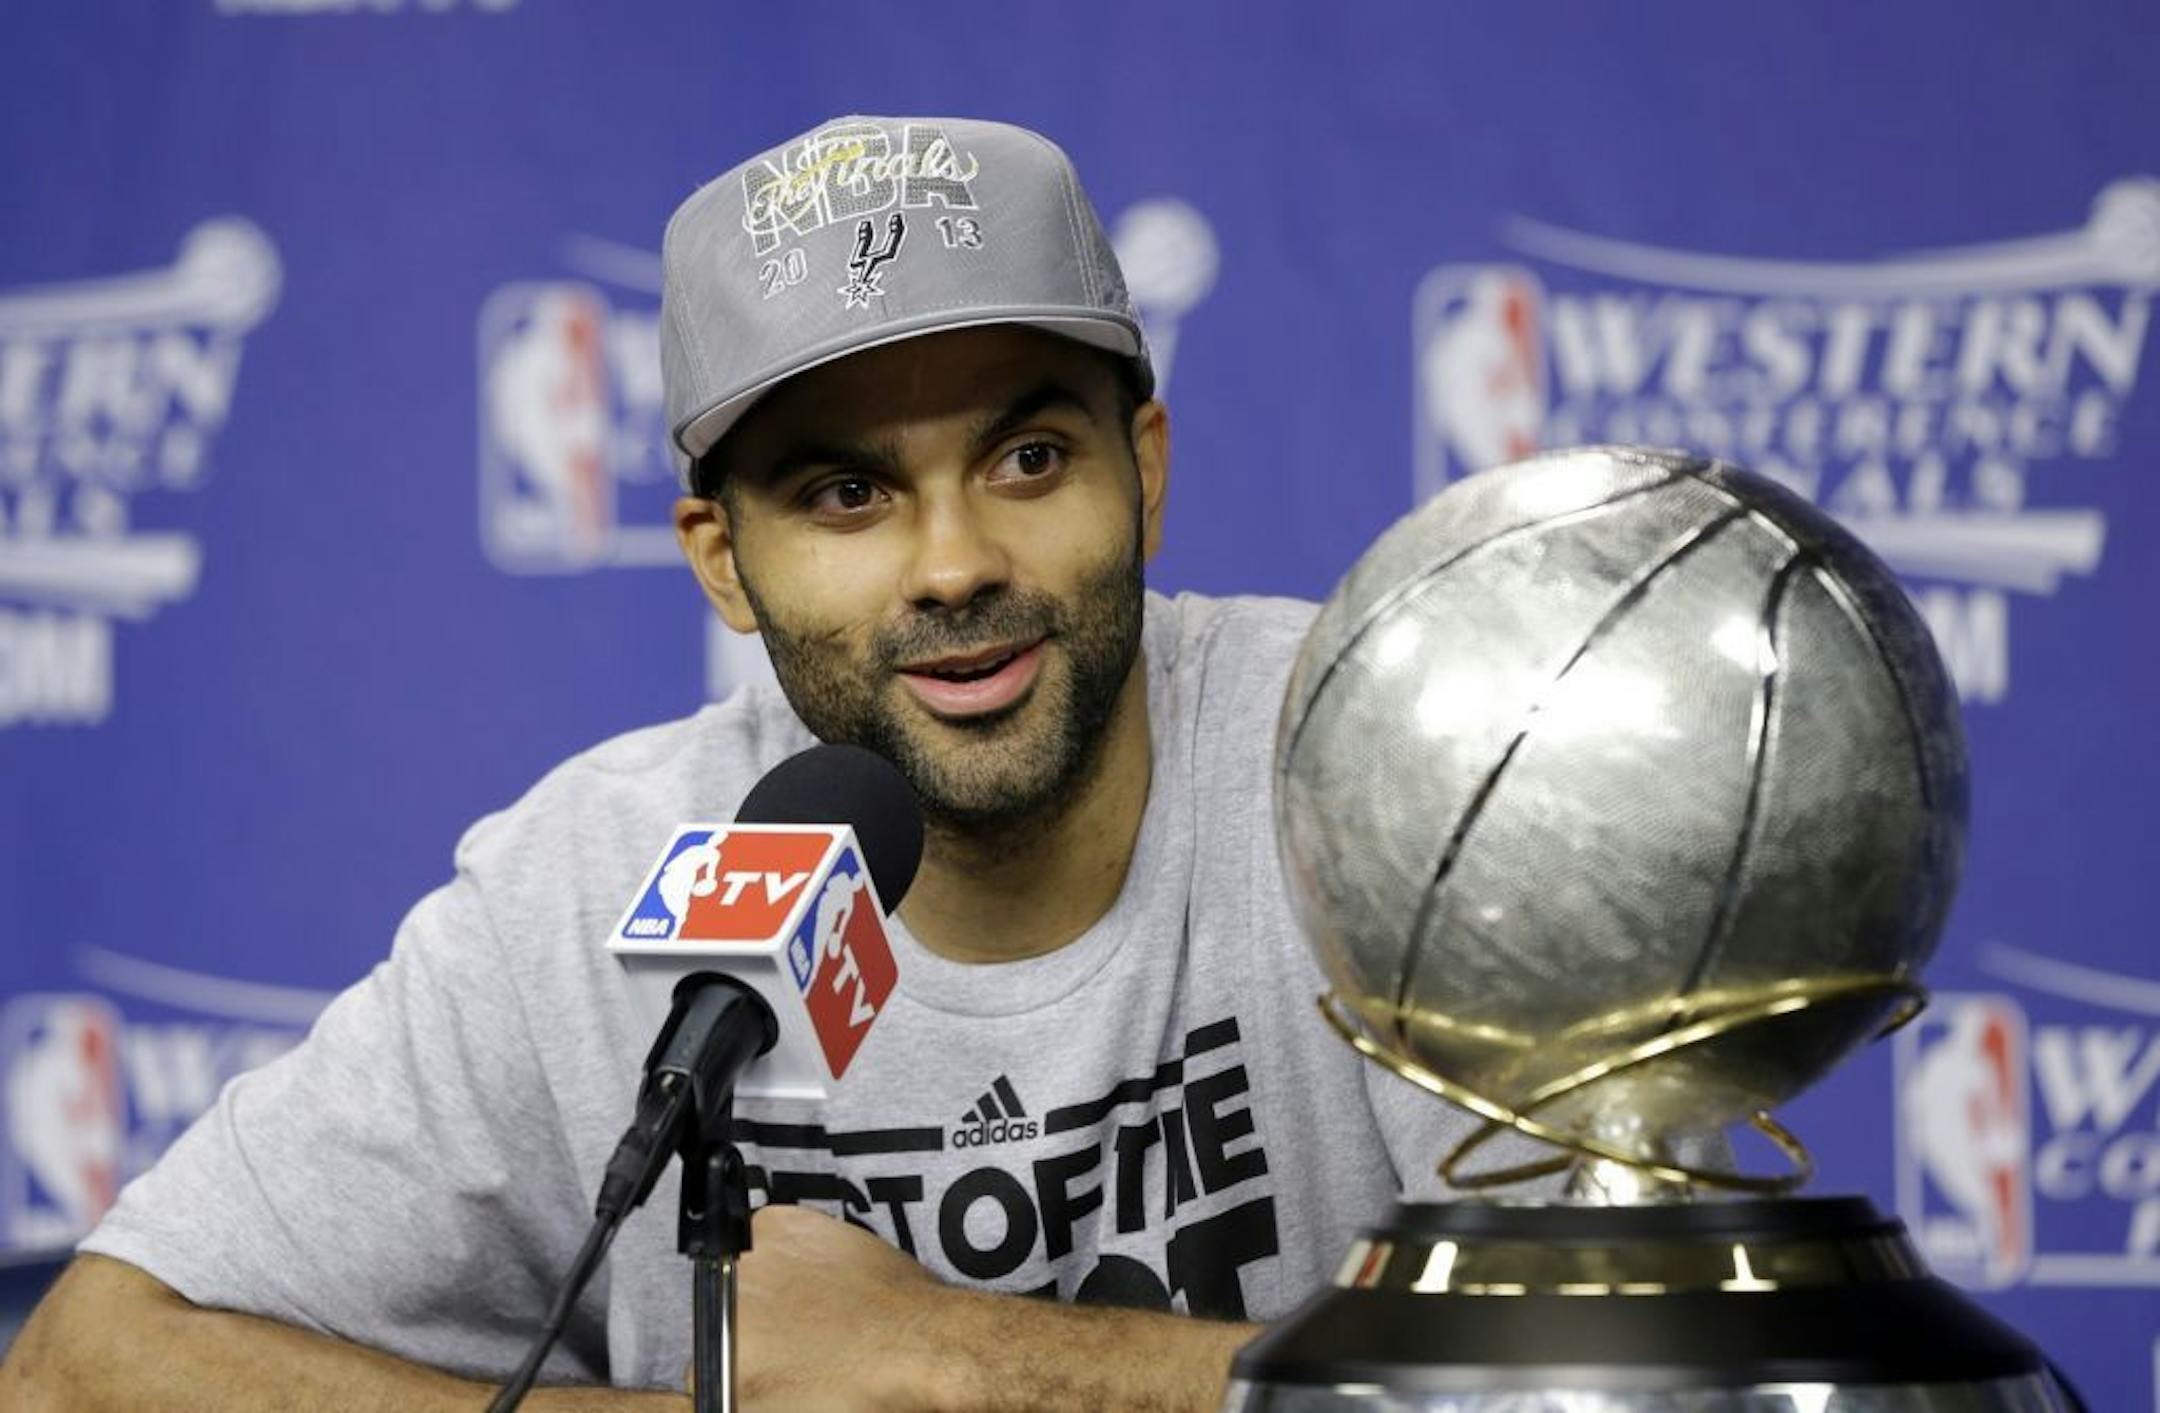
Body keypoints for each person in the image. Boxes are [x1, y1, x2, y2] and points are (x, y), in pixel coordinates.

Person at [2, 115, 1502, 1411]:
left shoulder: (1398, 757)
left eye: (1028, 458)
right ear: (723, 560)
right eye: (847, 491)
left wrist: (962, 1368)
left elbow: (1662, 1368)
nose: (956, 562)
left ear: (1148, 468)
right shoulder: (595, 886)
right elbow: (80, 1368)